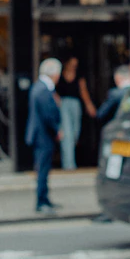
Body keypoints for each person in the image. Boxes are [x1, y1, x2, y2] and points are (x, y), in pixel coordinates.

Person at [24, 58, 63, 215]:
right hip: (43, 136)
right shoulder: (43, 89)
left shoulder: (40, 87)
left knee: (44, 169)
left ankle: (45, 199)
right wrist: (57, 130)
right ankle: (41, 202)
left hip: (42, 136)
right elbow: (48, 115)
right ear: (54, 74)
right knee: (42, 170)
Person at [55, 55, 95, 170]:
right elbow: (53, 90)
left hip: (75, 105)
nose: (73, 67)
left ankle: (69, 161)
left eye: (75, 65)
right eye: (72, 64)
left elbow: (83, 91)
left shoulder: (79, 76)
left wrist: (89, 105)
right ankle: (69, 165)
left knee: (75, 133)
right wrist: (57, 101)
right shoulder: (60, 75)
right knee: (67, 133)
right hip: (63, 105)